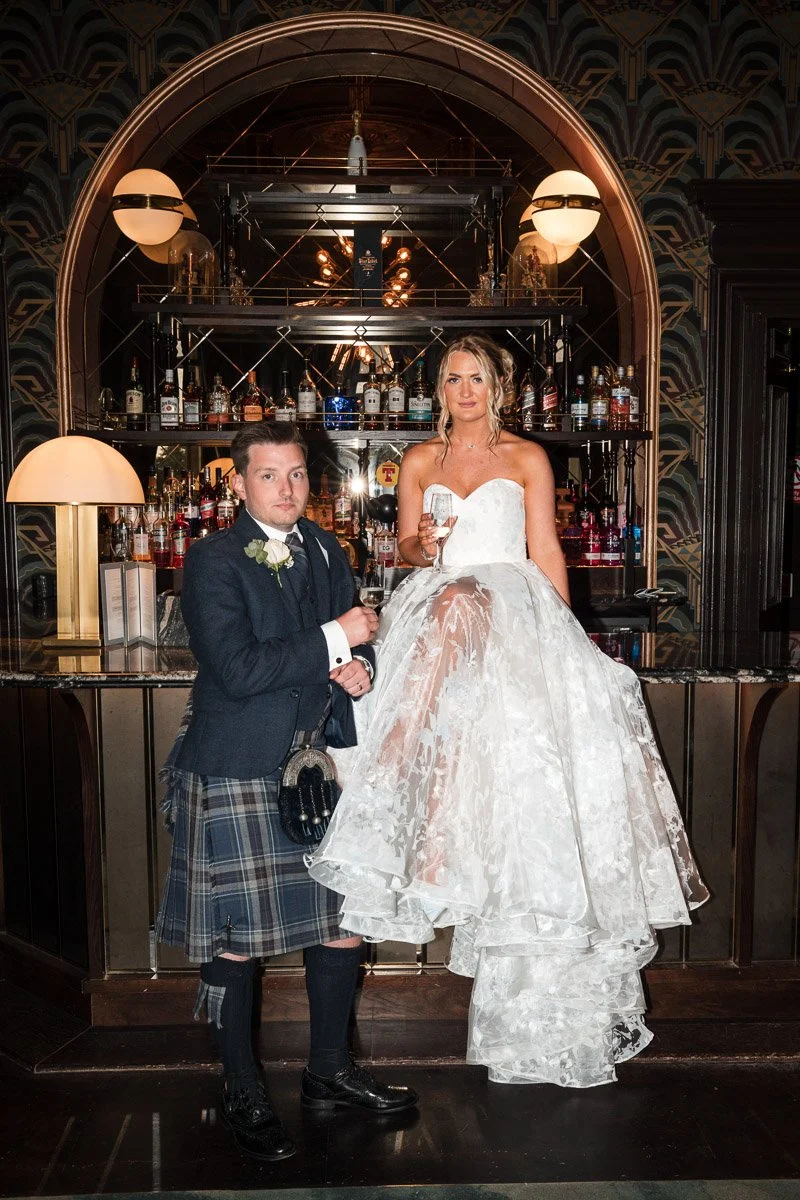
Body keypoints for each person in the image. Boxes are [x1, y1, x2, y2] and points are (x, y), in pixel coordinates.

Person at [308, 333, 709, 1089]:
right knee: (452, 605)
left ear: (499, 386)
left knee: (480, 640)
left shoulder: (527, 458)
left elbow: (547, 552)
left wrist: (568, 642)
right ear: (439, 390)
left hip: (513, 605)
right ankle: (419, 811)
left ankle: (404, 769)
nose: (465, 390)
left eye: (478, 378)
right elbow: (403, 552)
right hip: (440, 606)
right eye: (453, 379)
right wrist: (423, 545)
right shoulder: (420, 461)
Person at [156, 422, 417, 1163]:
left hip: (314, 768)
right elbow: (236, 669)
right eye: (269, 476)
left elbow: (347, 646)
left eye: (297, 475)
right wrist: (339, 637)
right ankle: (241, 1087)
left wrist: (355, 667)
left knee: (339, 923)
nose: (286, 489)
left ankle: (329, 1073)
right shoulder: (208, 561)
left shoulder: (328, 549)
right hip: (236, 764)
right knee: (237, 944)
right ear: (237, 484)